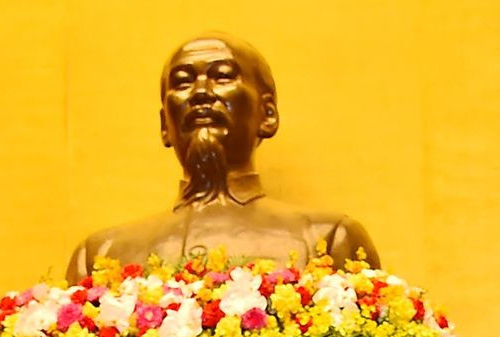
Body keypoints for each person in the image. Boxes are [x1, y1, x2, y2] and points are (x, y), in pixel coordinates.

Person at [66, 34, 381, 279]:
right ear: (164, 125)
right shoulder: (102, 255)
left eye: (223, 76)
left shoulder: (328, 239)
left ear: (268, 114)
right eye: (183, 82)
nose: (201, 92)